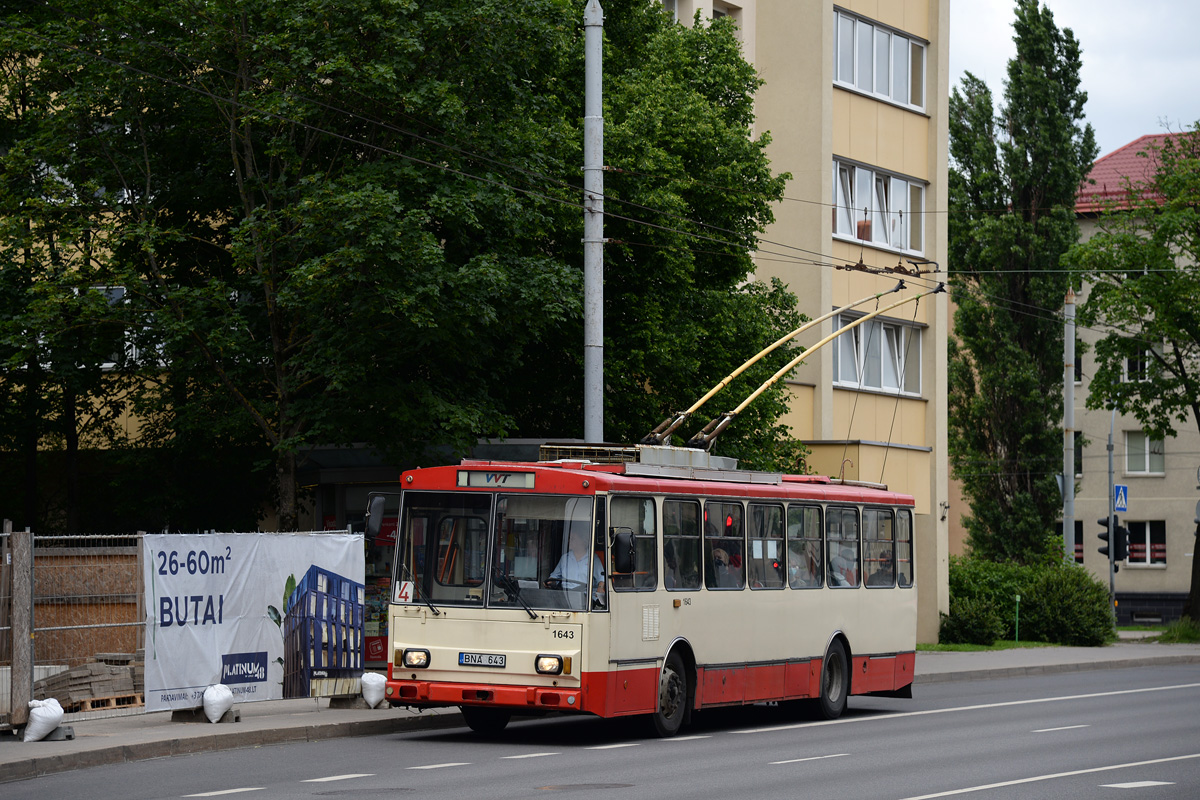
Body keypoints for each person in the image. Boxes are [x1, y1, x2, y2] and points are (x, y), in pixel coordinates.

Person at [549, 527, 605, 602]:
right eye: (569, 539)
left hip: (586, 598)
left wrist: (600, 588)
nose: (569, 541)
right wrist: (550, 581)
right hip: (566, 597)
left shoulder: (592, 558)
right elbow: (554, 577)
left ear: (583, 541)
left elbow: (601, 578)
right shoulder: (565, 558)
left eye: (573, 539)